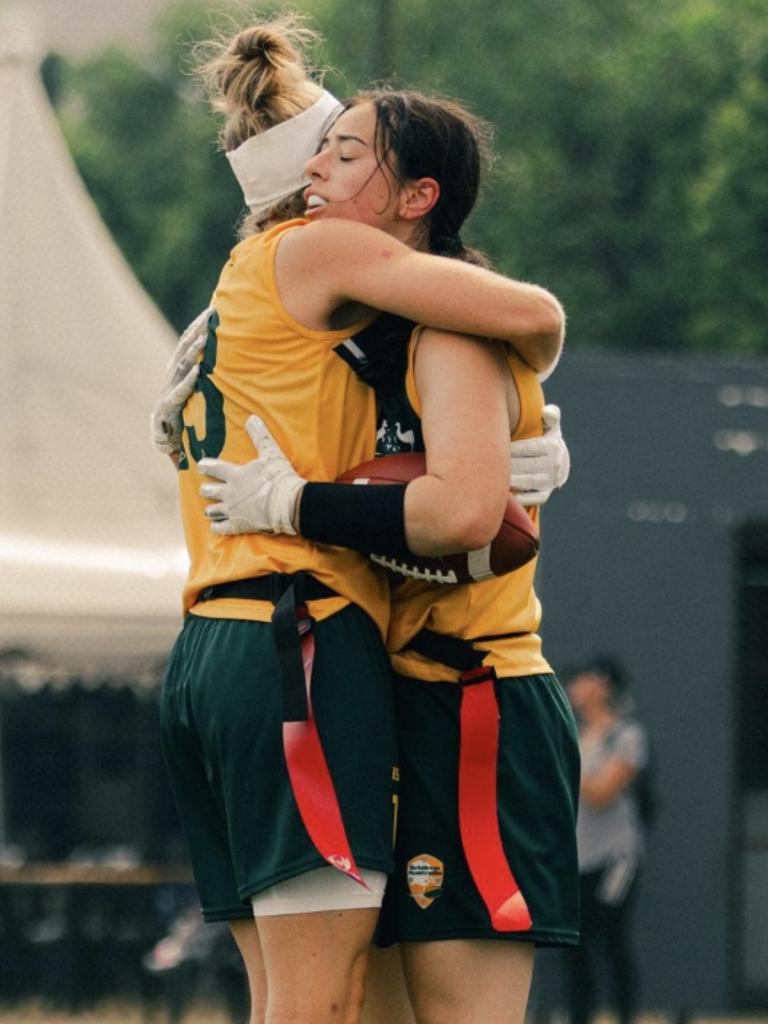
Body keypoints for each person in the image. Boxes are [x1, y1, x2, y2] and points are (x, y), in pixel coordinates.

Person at [152, 19, 570, 1024]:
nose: (323, 186)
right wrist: (309, 505)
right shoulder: (325, 260)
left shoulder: (278, 314)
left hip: (405, 678)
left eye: (351, 157)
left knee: (324, 1003)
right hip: (306, 644)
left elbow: (466, 500)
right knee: (322, 1005)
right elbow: (537, 318)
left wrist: (508, 454)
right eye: (325, 155)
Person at [564, 655, 650, 1024]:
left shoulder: (626, 735)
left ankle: (626, 1016)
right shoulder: (572, 736)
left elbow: (602, 793)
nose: (574, 688)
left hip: (616, 858)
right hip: (577, 859)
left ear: (602, 684)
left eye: (582, 680)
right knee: (575, 947)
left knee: (612, 940)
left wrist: (564, 765)